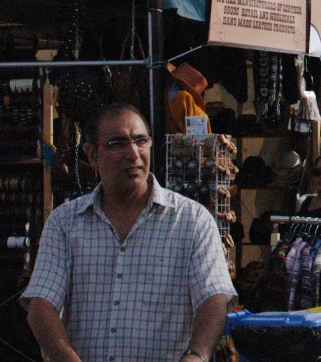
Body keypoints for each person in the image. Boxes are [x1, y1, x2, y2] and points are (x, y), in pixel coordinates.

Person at [23, 103, 236, 362]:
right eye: (118, 144)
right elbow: (41, 306)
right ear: (92, 155)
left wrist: (197, 355)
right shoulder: (65, 223)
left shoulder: (192, 221)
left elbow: (215, 298)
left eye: (140, 141)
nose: (133, 153)